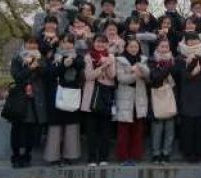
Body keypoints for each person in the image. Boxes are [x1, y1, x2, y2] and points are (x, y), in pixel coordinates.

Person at [44, 33, 84, 166]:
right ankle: (53, 157)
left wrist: (72, 61)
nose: (67, 45)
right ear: (60, 43)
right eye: (64, 42)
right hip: (56, 95)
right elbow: (49, 73)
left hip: (72, 95)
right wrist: (63, 65)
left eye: (70, 42)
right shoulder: (54, 57)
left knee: (71, 126)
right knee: (55, 127)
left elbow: (80, 66)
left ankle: (70, 155)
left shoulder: (78, 57)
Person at [9, 36, 47, 168]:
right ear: (25, 44)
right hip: (20, 97)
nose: (33, 46)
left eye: (35, 44)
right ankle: (15, 156)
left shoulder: (41, 59)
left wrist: (38, 65)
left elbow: (46, 74)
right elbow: (17, 76)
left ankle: (27, 156)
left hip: (35, 99)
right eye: (30, 43)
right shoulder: (17, 58)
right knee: (17, 129)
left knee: (31, 129)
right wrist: (30, 67)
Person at [172, 32, 201, 162]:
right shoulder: (180, 57)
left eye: (195, 40)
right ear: (185, 42)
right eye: (190, 40)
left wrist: (198, 58)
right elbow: (176, 74)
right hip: (186, 95)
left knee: (200, 125)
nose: (193, 42)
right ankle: (188, 153)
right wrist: (187, 65)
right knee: (187, 126)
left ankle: (200, 153)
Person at [80, 34, 116, 167]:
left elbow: (112, 76)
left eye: (103, 42)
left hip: (106, 97)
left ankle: (103, 157)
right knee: (92, 131)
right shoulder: (88, 57)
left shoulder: (111, 57)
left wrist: (108, 63)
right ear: (93, 43)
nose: (100, 45)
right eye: (98, 42)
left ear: (107, 44)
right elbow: (89, 76)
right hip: (91, 97)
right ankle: (91, 158)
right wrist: (101, 67)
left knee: (105, 131)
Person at [115, 38, 150, 165]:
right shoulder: (120, 60)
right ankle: (123, 157)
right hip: (125, 98)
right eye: (131, 47)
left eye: (135, 47)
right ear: (126, 48)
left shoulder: (143, 59)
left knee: (138, 130)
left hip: (139, 98)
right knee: (124, 131)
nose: (133, 49)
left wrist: (139, 67)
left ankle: (135, 156)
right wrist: (135, 75)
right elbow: (121, 78)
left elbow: (148, 75)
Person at [148, 39, 177, 164]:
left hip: (171, 96)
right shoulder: (152, 61)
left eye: (167, 46)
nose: (164, 49)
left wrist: (170, 66)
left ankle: (166, 153)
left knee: (170, 128)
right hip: (157, 96)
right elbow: (155, 78)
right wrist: (168, 66)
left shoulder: (174, 60)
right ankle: (156, 153)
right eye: (162, 46)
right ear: (157, 47)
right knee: (157, 128)